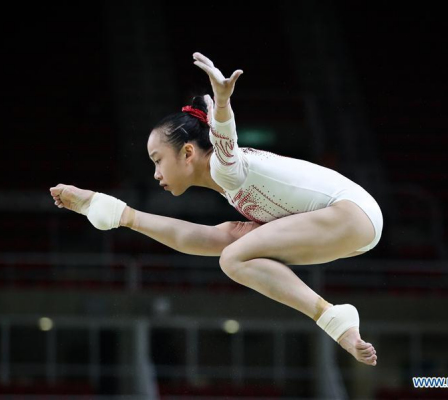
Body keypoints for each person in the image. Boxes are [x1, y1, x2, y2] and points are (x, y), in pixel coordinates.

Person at [50, 52, 381, 366]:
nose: (156, 173)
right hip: (351, 228)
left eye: (157, 160)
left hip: (351, 213)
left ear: (188, 152)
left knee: (233, 256)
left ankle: (333, 318)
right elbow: (195, 236)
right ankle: (120, 213)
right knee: (225, 239)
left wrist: (222, 103)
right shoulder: (227, 185)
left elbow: (225, 141)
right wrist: (119, 213)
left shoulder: (226, 169)